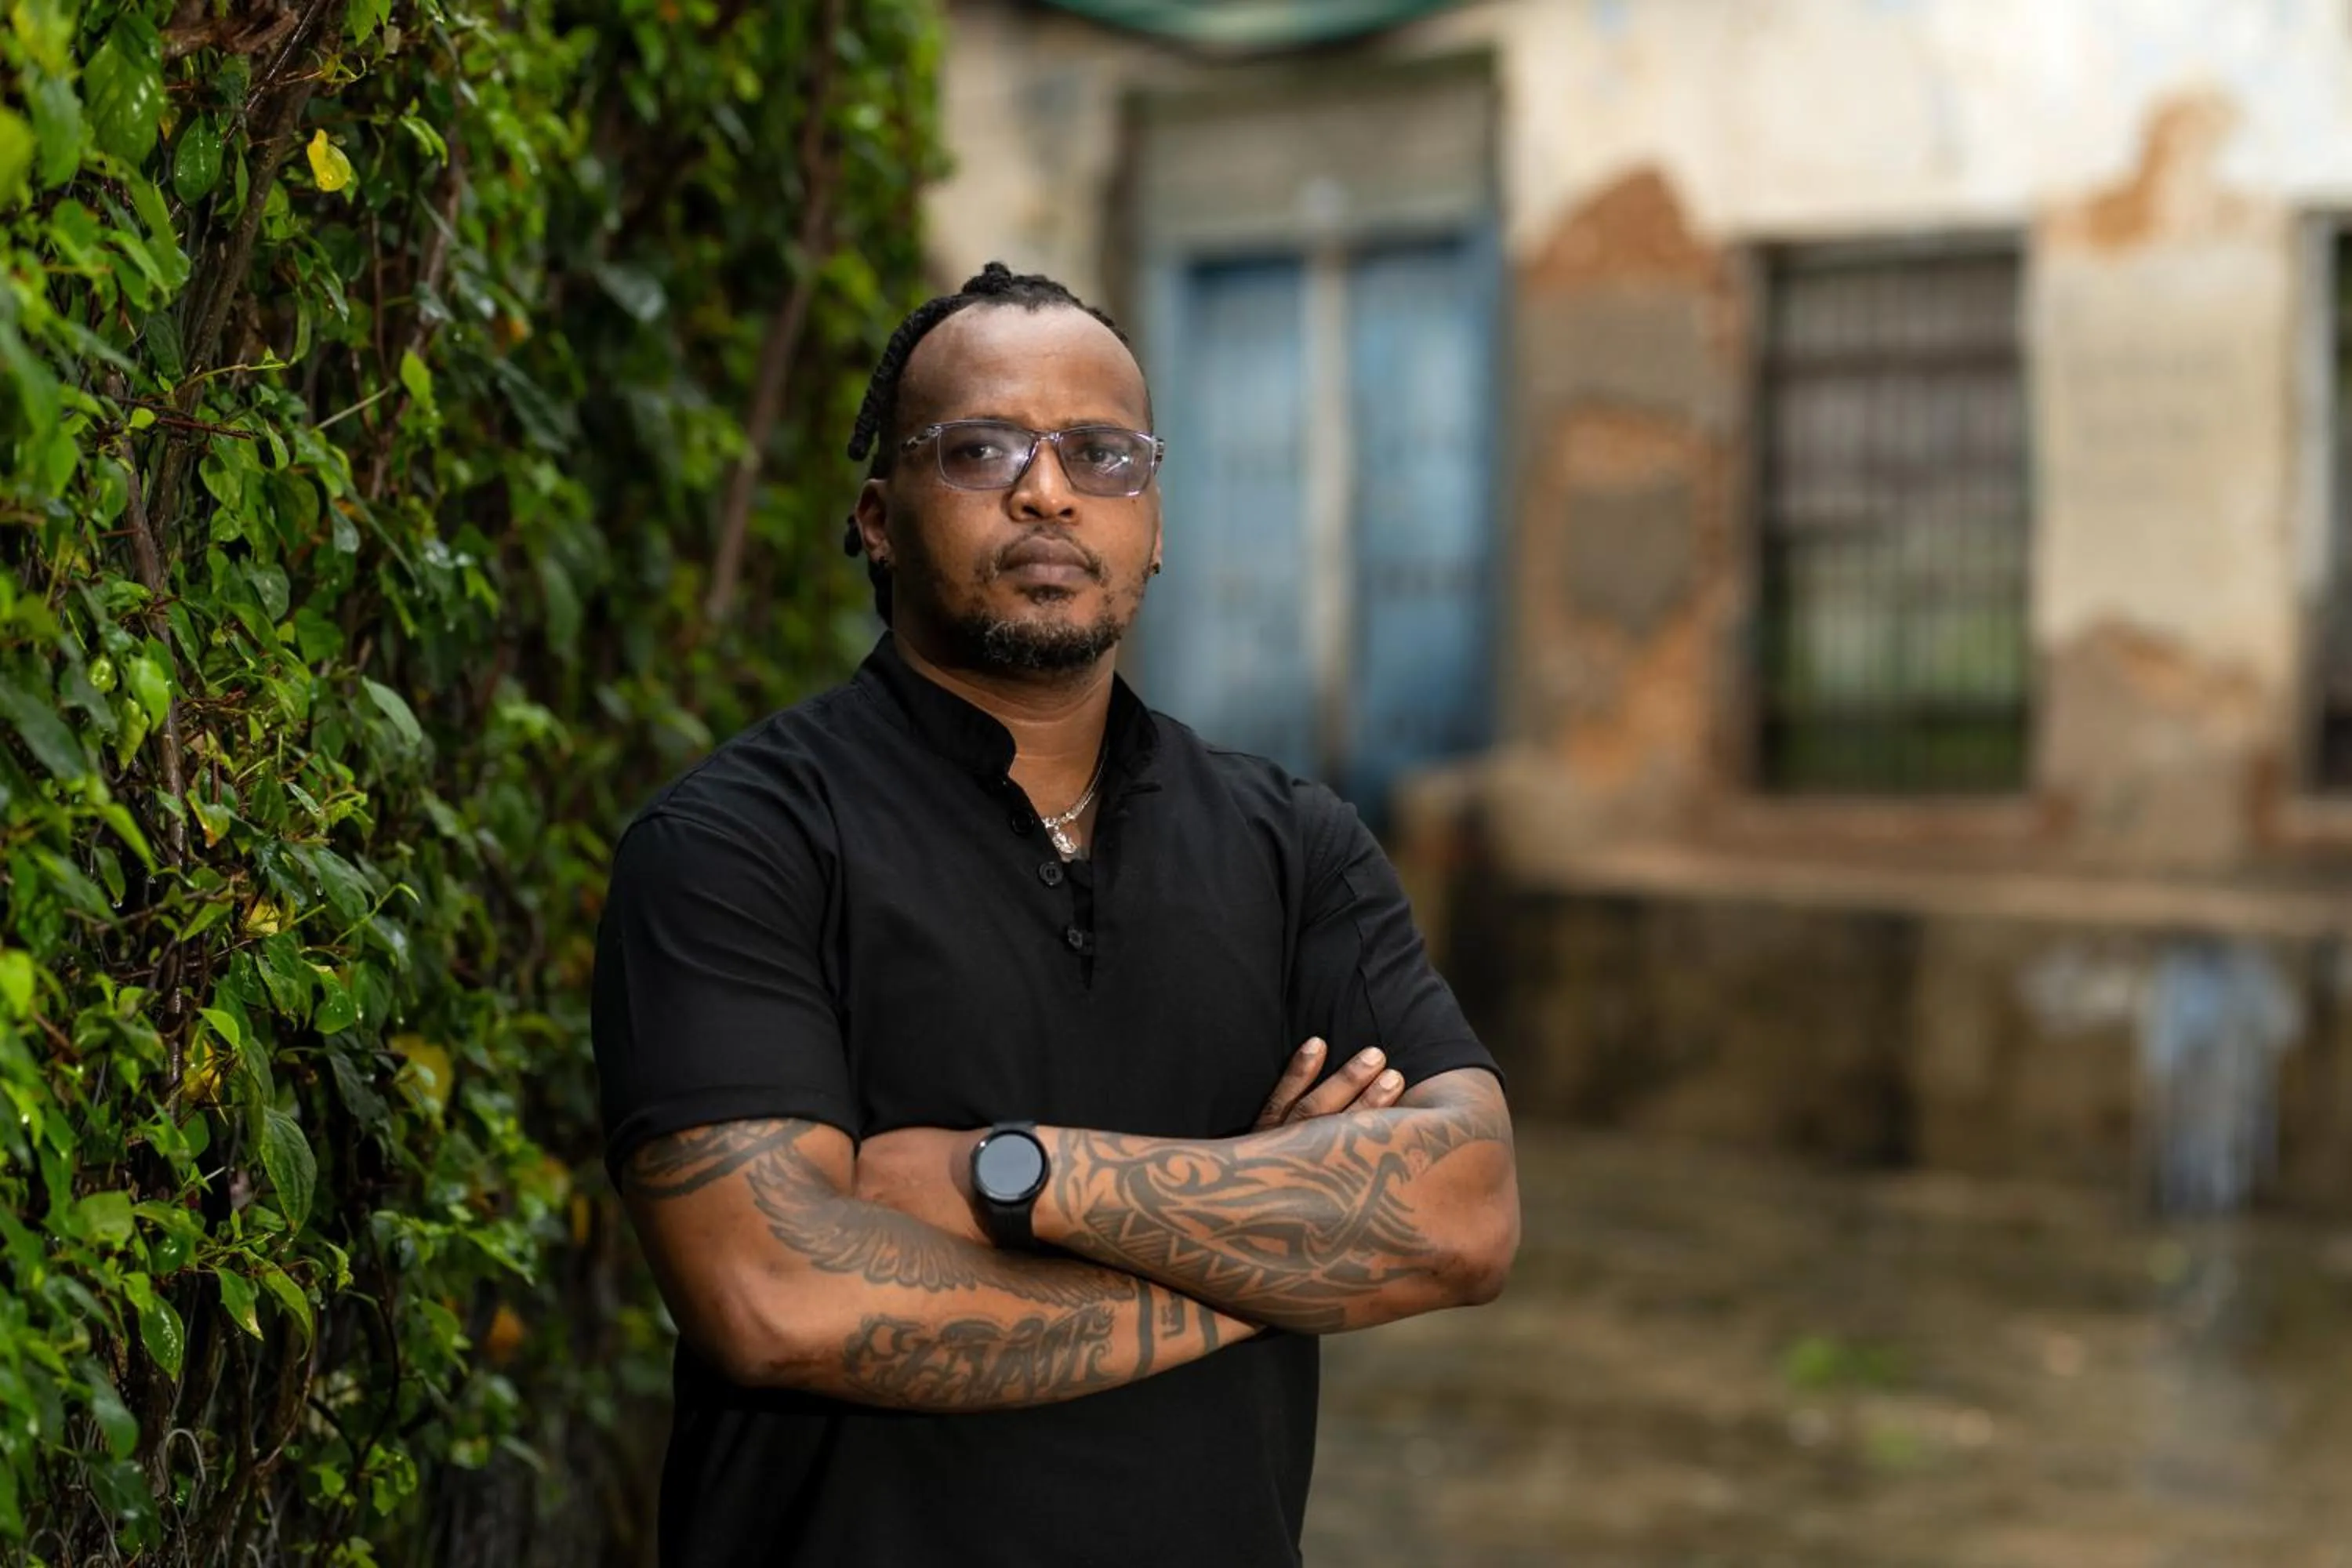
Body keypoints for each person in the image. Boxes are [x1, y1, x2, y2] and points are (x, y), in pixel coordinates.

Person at [591, 262, 1519, 1567]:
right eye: (978, 449)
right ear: (875, 516)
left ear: (1155, 522)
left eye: (1103, 453)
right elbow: (777, 1295)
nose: (1047, 488)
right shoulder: (736, 845)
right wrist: (1274, 1260)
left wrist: (1006, 1176)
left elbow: (1466, 1213)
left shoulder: (1293, 845)